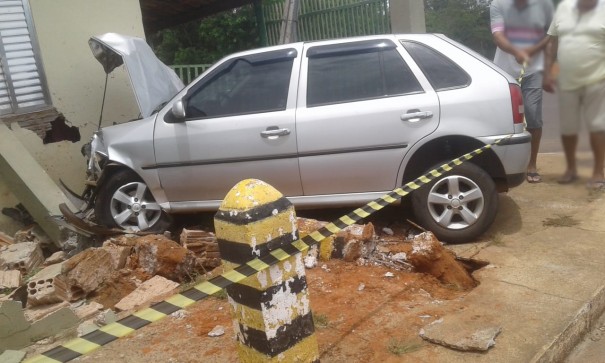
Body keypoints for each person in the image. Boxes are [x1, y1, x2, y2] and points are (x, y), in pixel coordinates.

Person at [490, 0, 554, 183]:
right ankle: (502, 163)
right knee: (504, 120)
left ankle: (531, 164)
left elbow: (550, 36)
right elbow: (498, 36)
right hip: (503, 72)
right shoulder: (498, 4)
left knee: (533, 117)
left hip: (533, 71)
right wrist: (516, 51)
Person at [543, 0, 605, 189]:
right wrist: (547, 73)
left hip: (598, 79)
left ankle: (598, 172)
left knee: (597, 126)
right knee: (569, 127)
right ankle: (571, 168)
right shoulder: (563, 8)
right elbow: (552, 43)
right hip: (567, 81)